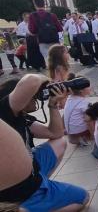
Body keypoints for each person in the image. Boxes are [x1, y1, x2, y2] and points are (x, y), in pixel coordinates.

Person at [0, 75, 89, 211]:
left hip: (30, 171)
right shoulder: (5, 113)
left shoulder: (20, 117)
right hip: (20, 191)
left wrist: (53, 105)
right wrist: (49, 83)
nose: (37, 97)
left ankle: (42, 183)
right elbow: (32, 80)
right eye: (34, 95)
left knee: (59, 143)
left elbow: (55, 133)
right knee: (82, 197)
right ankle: (31, 204)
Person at [63, 75, 94, 145]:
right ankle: (87, 137)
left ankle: (72, 137)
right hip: (79, 132)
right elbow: (89, 120)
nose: (90, 88)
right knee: (96, 116)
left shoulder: (70, 98)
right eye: (88, 87)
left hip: (71, 131)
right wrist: (94, 135)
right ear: (81, 91)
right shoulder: (84, 103)